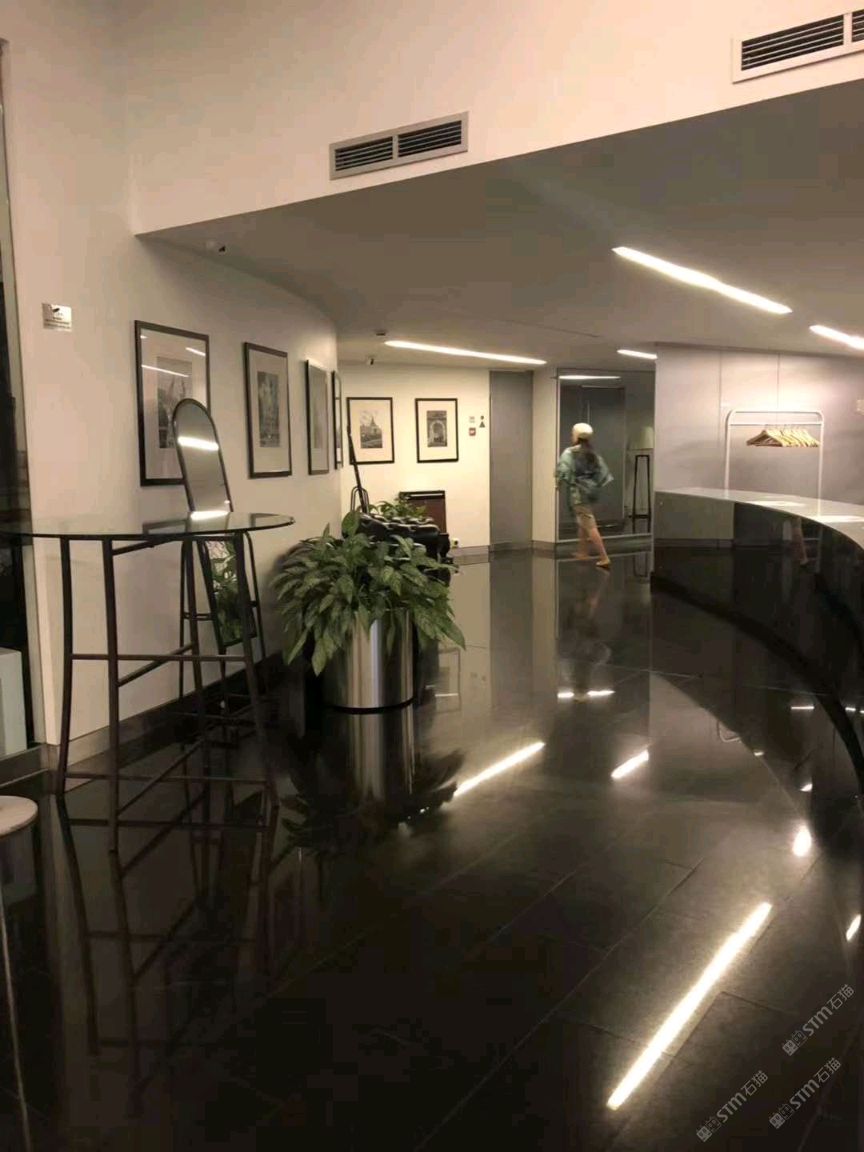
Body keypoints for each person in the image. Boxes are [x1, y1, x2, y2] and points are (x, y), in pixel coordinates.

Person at [556, 422, 612, 568]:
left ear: (575, 436)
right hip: (589, 492)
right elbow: (602, 473)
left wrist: (559, 483)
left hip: (578, 494)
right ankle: (583, 551)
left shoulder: (570, 452)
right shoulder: (592, 453)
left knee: (589, 525)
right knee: (582, 522)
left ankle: (604, 557)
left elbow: (563, 471)